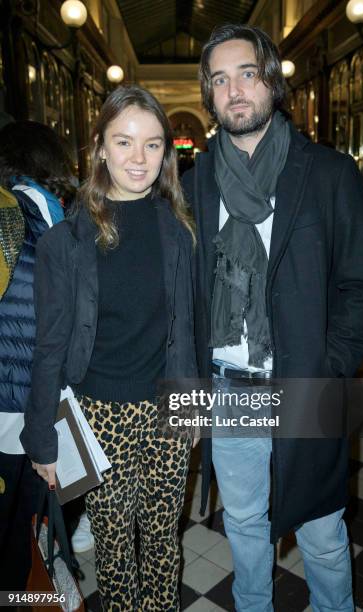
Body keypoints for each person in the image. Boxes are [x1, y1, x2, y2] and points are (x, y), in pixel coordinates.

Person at [182, 24, 363, 612]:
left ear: (271, 79)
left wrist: (332, 364)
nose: (235, 90)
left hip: (307, 381)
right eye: (220, 80)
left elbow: (361, 285)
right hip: (229, 387)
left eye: (247, 73)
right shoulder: (193, 186)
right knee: (244, 525)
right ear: (210, 95)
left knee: (322, 531)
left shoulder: (327, 174)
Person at [20, 85, 197, 612]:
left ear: (166, 151)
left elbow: (184, 331)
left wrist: (193, 415)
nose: (138, 159)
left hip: (167, 412)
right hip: (99, 418)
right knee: (116, 551)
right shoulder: (66, 243)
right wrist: (41, 441)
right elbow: (48, 346)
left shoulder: (178, 230)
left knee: (164, 540)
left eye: (152, 144)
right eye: (124, 142)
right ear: (99, 146)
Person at [0, 120, 75, 591]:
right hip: (37, 408)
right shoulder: (56, 217)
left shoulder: (14, 214)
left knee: (11, 534)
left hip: (11, 412)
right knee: (22, 529)